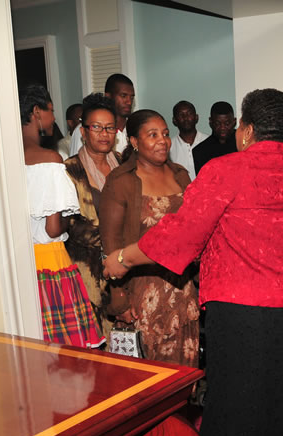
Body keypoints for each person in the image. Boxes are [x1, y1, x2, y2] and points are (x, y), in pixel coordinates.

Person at [102, 89, 283, 436]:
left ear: (245, 130)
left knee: (236, 405)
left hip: (246, 307)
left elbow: (183, 233)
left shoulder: (225, 168)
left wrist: (124, 257)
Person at [98, 109, 199, 367]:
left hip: (182, 291)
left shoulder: (180, 175)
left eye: (165, 134)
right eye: (152, 134)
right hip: (142, 294)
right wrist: (119, 299)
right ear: (134, 141)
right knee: (147, 377)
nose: (162, 141)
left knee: (183, 373)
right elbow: (110, 246)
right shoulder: (121, 182)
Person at [20, 84, 104, 349]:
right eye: (50, 111)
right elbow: (54, 228)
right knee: (67, 353)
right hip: (50, 261)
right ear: (36, 112)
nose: (53, 118)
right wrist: (70, 217)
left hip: (22, 264)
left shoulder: (4, 158)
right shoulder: (49, 160)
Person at [63, 93, 121, 336]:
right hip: (87, 273)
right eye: (97, 127)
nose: (104, 134)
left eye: (109, 128)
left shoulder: (124, 163)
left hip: (125, 269)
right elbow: (71, 225)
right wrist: (116, 246)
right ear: (83, 131)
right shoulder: (69, 169)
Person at [69, 73, 134, 157]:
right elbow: (75, 165)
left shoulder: (133, 127)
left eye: (131, 97)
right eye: (123, 96)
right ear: (108, 96)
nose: (129, 102)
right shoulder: (86, 129)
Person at [192, 100, 237, 175]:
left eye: (227, 123)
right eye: (218, 123)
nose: (222, 128)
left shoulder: (245, 144)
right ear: (211, 122)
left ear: (234, 122)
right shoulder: (200, 152)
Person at [169, 100, 208, 180]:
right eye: (181, 115)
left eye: (189, 114)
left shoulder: (209, 142)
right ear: (174, 120)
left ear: (196, 117)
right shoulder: (168, 147)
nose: (186, 118)